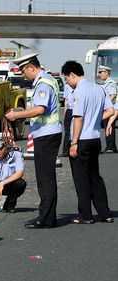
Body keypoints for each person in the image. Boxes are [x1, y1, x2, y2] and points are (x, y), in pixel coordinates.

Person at [5, 53, 62, 229]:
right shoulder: (44, 81)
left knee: (45, 179)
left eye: (23, 70)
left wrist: (16, 115)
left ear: (31, 67)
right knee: (45, 178)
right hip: (46, 134)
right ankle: (46, 216)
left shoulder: (43, 84)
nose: (23, 75)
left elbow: (39, 109)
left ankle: (45, 219)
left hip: (46, 135)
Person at [61, 60, 114, 223]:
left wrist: (74, 142)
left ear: (72, 74)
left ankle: (85, 215)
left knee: (81, 178)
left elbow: (78, 118)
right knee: (94, 176)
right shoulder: (98, 88)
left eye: (66, 79)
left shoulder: (79, 91)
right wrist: (96, 120)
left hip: (82, 140)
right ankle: (105, 213)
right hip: (95, 139)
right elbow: (111, 110)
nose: (67, 83)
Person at [98, 65, 117, 153]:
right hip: (108, 109)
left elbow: (113, 95)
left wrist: (106, 106)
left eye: (101, 72)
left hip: (111, 110)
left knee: (110, 127)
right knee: (107, 127)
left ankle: (111, 147)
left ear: (106, 73)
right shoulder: (106, 83)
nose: (100, 74)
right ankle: (109, 146)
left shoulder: (111, 83)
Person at [61, 82, 74, 157]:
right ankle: (66, 151)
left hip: (76, 109)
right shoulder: (66, 86)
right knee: (67, 131)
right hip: (69, 110)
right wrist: (65, 113)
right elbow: (66, 100)